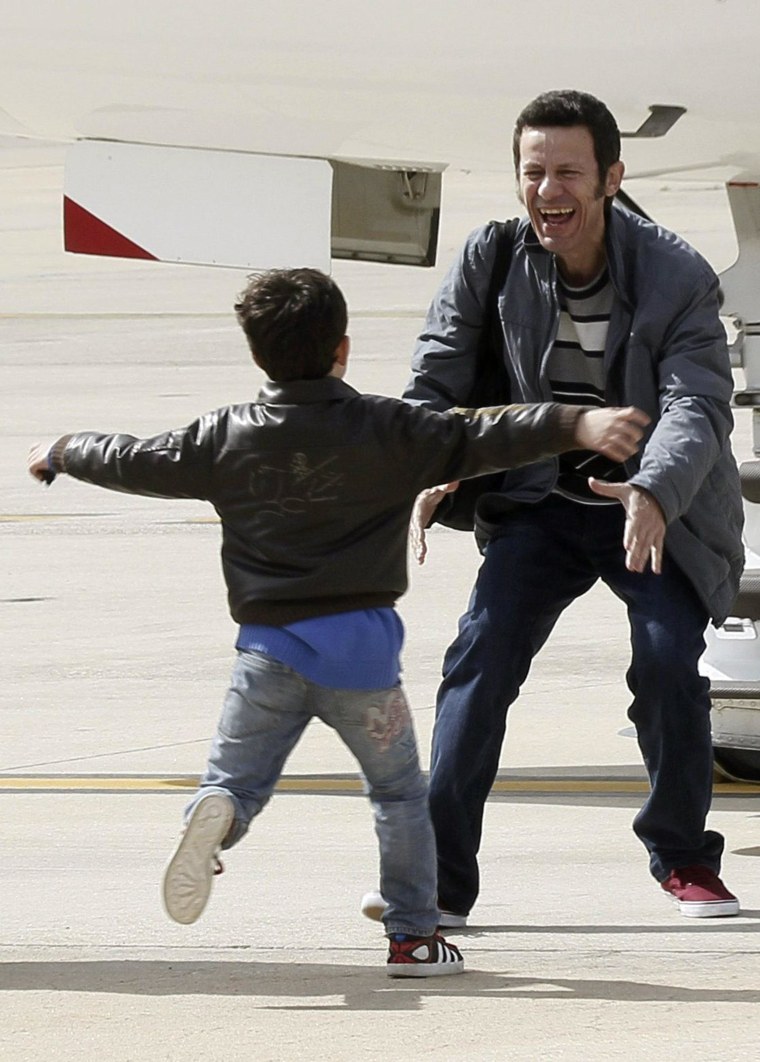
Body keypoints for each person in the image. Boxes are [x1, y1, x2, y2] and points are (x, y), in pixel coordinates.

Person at [27, 267, 646, 975]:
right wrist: (575, 420)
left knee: (238, 780)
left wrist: (66, 450)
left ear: (257, 354)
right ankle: (413, 938)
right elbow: (485, 433)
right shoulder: (389, 429)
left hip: (266, 656)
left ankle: (220, 817)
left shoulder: (224, 437)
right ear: (342, 349)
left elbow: (138, 457)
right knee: (398, 795)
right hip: (361, 661)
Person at [390, 89, 744, 926]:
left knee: (668, 664)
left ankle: (684, 857)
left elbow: (696, 405)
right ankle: (439, 883)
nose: (550, 190)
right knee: (478, 664)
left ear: (612, 178)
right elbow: (437, 374)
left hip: (653, 504)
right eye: (534, 171)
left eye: (569, 173)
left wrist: (653, 490)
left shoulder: (675, 273)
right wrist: (430, 462)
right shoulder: (493, 256)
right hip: (539, 500)